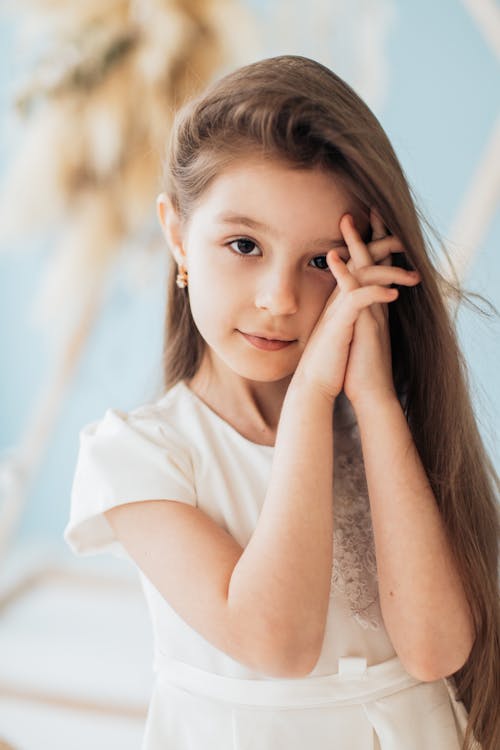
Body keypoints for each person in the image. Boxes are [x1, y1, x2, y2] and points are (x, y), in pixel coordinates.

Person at [64, 55, 499, 750]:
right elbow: (279, 643)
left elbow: (436, 651)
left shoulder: (383, 424)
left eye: (322, 261)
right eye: (244, 245)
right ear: (177, 235)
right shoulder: (136, 458)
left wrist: (378, 403)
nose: (279, 300)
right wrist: (309, 401)